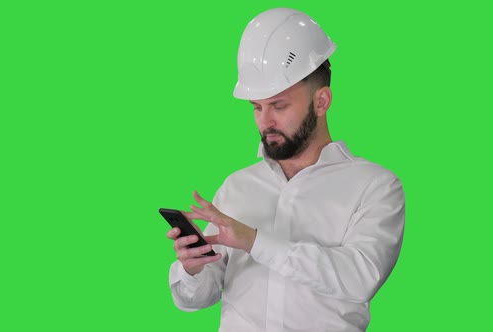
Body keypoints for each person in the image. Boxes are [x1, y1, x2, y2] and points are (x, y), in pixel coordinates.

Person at [166, 7, 405, 331]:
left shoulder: (374, 187)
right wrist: (192, 269)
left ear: (322, 102)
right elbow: (198, 299)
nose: (265, 121)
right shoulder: (237, 186)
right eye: (257, 108)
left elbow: (360, 278)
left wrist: (254, 240)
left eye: (279, 106)